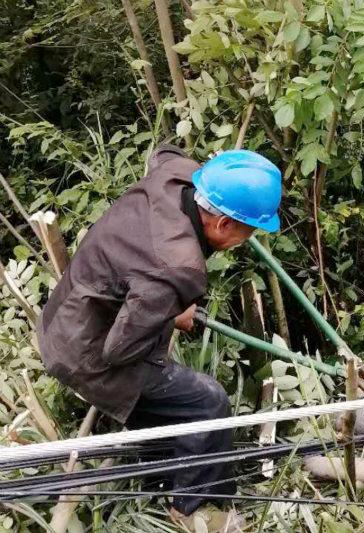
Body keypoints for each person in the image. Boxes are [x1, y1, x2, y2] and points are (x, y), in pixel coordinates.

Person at [36, 145, 282, 531]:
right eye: (247, 233)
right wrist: (170, 309)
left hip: (63, 316)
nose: (244, 241)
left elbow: (162, 151)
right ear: (222, 225)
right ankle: (195, 511)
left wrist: (158, 303)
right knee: (207, 402)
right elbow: (119, 350)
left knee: (179, 398)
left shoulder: (175, 174)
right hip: (86, 353)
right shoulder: (178, 267)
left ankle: (163, 469)